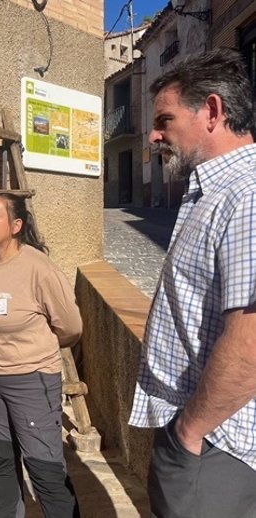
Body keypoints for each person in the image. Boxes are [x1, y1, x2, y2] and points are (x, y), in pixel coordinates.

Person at [130, 48, 256, 518]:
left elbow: (251, 340)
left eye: (164, 119)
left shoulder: (247, 194)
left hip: (217, 445)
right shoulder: (214, 191)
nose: (154, 134)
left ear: (213, 111)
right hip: (203, 435)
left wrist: (191, 431)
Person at [0, 192, 82, 518]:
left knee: (44, 468)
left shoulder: (38, 268)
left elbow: (70, 327)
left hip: (31, 380)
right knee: (1, 459)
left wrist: (28, 351)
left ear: (16, 225)